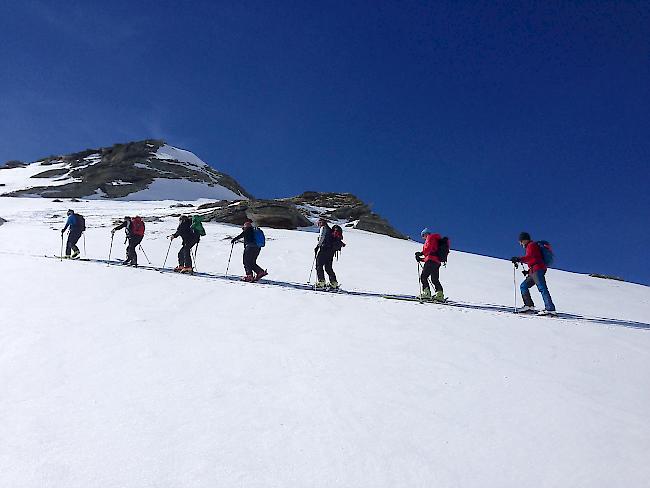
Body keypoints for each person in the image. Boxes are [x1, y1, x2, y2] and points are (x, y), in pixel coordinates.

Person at [511, 232, 557, 316]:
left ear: (524, 240)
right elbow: (534, 259)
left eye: (520, 241)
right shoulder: (530, 246)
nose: (520, 243)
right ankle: (529, 306)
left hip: (537, 269)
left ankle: (550, 309)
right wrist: (528, 272)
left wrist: (518, 259)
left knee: (542, 288)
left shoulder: (531, 245)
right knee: (523, 286)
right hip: (534, 270)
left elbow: (530, 257)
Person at [415, 228, 445, 301]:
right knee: (435, 279)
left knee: (423, 277)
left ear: (425, 234)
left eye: (423, 236)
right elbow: (431, 254)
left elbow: (428, 249)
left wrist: (421, 253)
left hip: (431, 261)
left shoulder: (430, 237)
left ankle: (426, 294)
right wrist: (421, 259)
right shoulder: (436, 240)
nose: (423, 238)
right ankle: (440, 295)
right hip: (436, 262)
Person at [314, 217, 338, 290]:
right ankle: (333, 283)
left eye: (319, 222)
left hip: (324, 249)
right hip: (331, 251)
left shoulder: (323, 228)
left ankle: (321, 282)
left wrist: (317, 246)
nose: (318, 224)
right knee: (328, 267)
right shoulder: (330, 230)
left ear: (322, 222)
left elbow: (322, 237)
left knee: (319, 265)